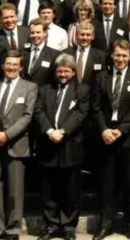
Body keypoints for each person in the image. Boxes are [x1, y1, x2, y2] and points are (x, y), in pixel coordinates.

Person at [0, 50, 38, 240]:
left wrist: (7, 135)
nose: (11, 67)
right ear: (3, 66)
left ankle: (13, 229)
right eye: (8, 64)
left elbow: (27, 116)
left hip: (16, 144)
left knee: (15, 190)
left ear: (21, 67)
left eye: (15, 64)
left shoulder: (29, 88)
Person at [93, 40, 130, 240]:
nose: (120, 59)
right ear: (112, 56)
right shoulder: (101, 77)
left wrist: (121, 130)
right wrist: (105, 130)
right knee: (107, 183)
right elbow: (96, 106)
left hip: (128, 139)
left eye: (124, 56)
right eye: (117, 55)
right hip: (106, 137)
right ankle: (105, 225)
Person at [34, 55, 90, 240]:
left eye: (66, 71)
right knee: (49, 189)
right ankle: (51, 225)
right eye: (59, 70)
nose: (62, 74)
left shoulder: (82, 90)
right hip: (48, 145)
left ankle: (68, 227)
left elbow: (81, 114)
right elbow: (38, 111)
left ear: (73, 72)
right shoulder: (45, 89)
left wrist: (63, 131)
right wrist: (50, 131)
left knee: (70, 189)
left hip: (70, 145)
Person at [23, 20, 59, 87]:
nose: (35, 35)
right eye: (32, 33)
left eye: (38, 32)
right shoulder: (23, 52)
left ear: (45, 33)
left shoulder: (54, 55)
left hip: (42, 94)